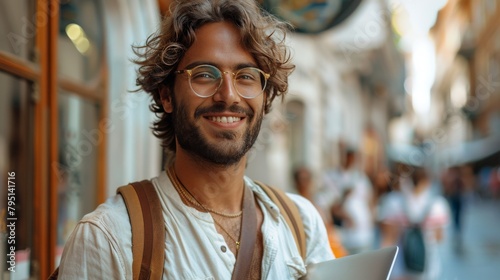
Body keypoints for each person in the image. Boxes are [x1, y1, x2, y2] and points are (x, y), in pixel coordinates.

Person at [56, 0, 334, 279]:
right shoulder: (110, 238)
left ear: (265, 95)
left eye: (246, 76)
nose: (228, 95)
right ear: (167, 96)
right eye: (203, 75)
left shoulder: (301, 224)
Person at [378, 165, 450, 280]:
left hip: (399, 268)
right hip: (428, 267)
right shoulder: (438, 204)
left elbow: (387, 239)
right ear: (428, 181)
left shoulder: (393, 202)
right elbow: (440, 237)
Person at [317, 148, 376, 255]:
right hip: (343, 233)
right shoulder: (333, 176)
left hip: (363, 231)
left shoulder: (360, 178)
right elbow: (330, 206)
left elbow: (369, 200)